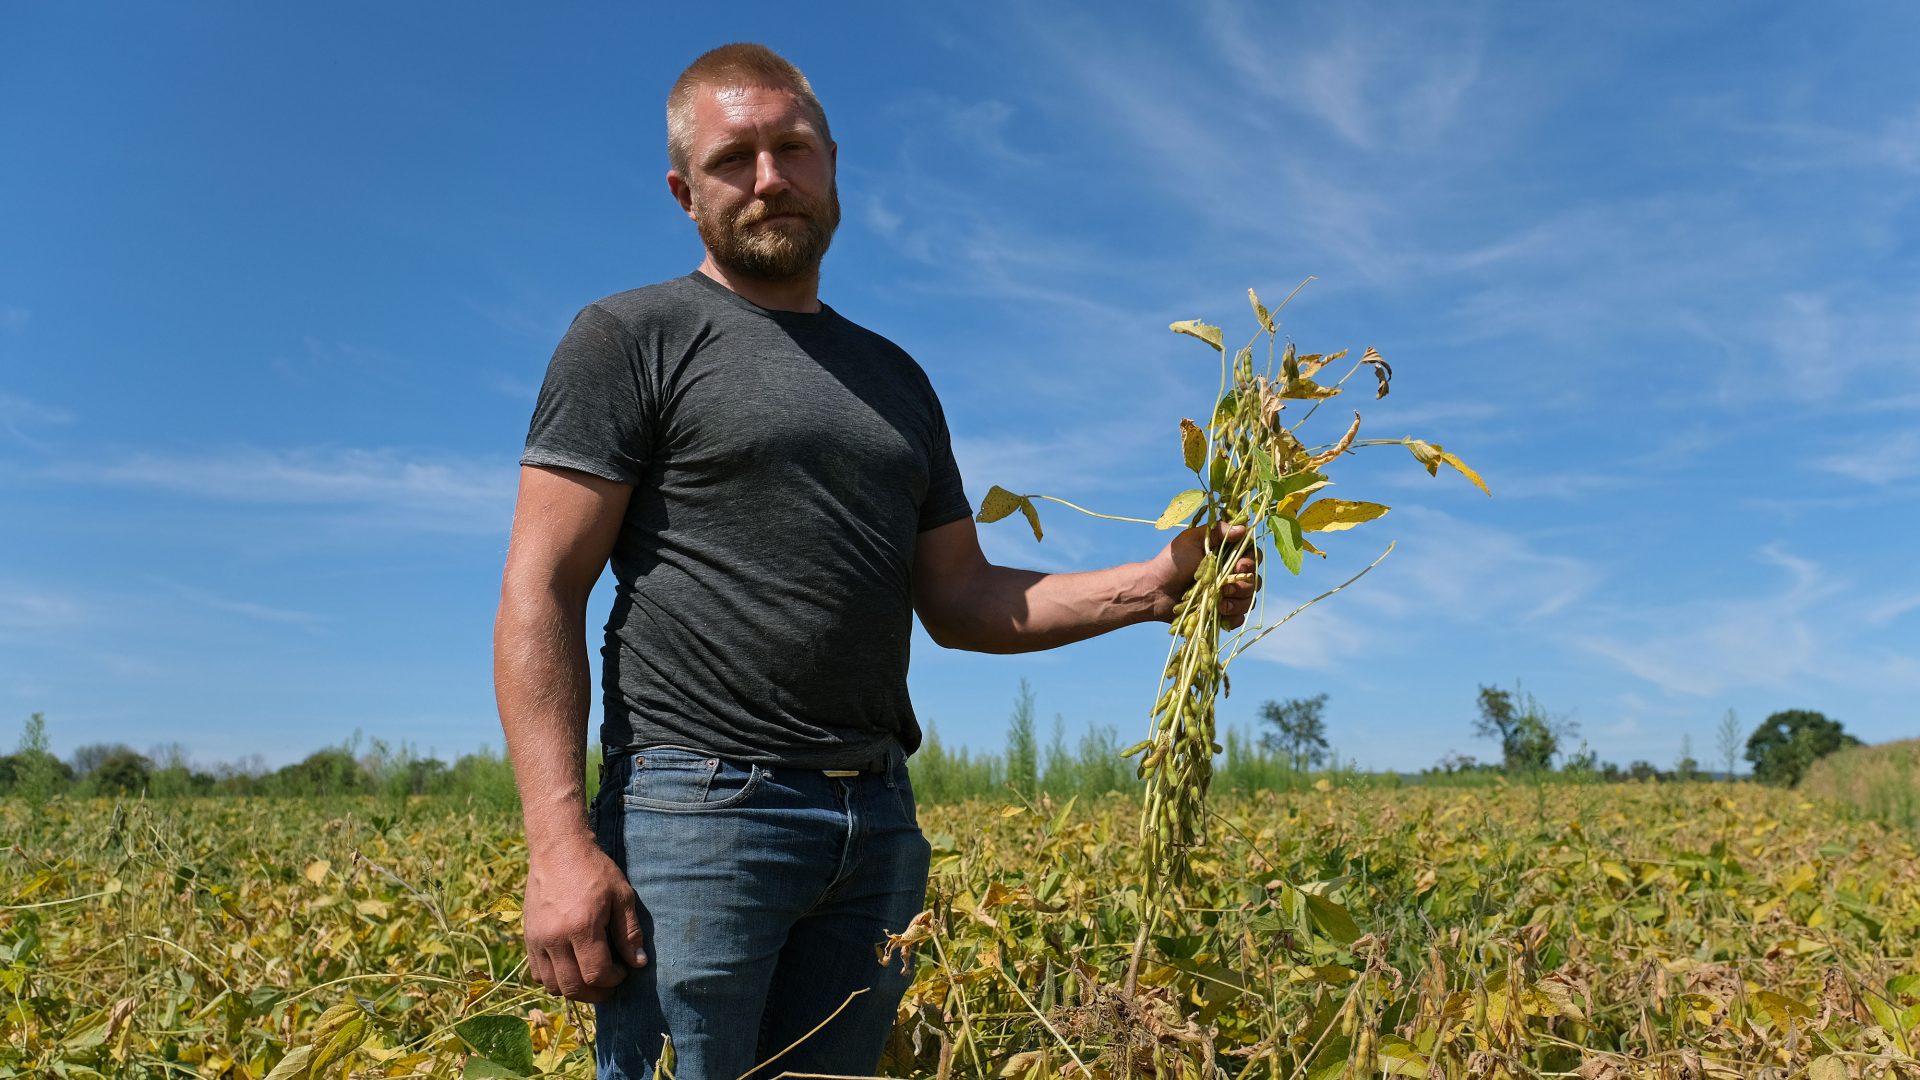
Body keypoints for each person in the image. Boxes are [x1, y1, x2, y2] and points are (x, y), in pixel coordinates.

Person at [492, 42, 1259, 1080]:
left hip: (876, 815)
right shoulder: (633, 337)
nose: (770, 178)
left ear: (833, 163)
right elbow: (541, 590)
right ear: (684, 191)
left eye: (792, 149)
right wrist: (557, 846)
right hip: (700, 811)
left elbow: (964, 598)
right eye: (734, 159)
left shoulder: (896, 379)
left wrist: (1160, 584)